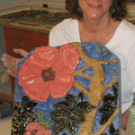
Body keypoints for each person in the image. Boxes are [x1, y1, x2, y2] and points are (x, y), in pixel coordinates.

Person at [1, 0, 135, 134]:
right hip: (67, 127)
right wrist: (31, 72)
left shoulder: (130, 39)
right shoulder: (60, 32)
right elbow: (54, 91)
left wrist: (121, 123)